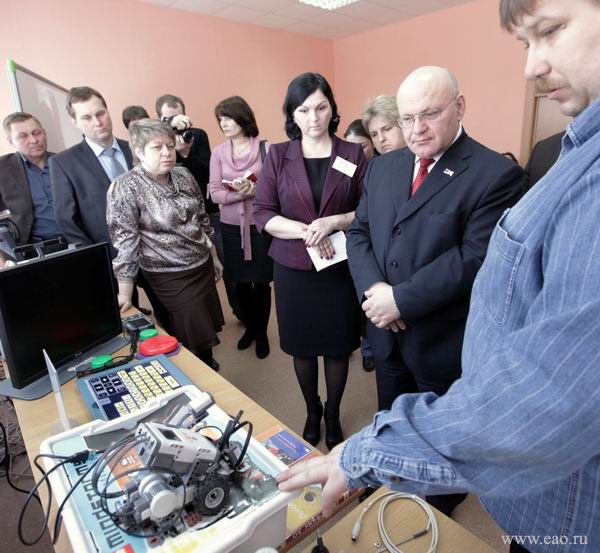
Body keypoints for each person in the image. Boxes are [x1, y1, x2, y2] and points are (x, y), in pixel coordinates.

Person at [278, 2, 600, 551]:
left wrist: (401, 299)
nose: (415, 129)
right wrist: (374, 296)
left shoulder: (495, 172)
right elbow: (362, 233)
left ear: (459, 107)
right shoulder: (384, 165)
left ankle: (430, 517)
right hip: (387, 334)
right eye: (405, 119)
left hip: (442, 341)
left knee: (439, 491)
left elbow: (473, 260)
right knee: (392, 415)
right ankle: (396, 501)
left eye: (428, 115)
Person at [254, 72, 367, 451]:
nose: (313, 118)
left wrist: (333, 222)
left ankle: (333, 412)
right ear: (292, 114)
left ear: (332, 109)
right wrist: (307, 231)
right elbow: (262, 212)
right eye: (303, 110)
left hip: (338, 269)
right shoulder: (277, 156)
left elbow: (367, 210)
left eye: (321, 108)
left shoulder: (352, 154)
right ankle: (312, 408)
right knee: (302, 347)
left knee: (337, 346)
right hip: (293, 268)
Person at [107, 119, 224, 371]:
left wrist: (213, 255)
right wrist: (125, 292)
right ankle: (197, 374)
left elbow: (201, 218)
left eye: (170, 146)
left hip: (201, 265)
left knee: (203, 330)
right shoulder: (126, 187)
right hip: (168, 274)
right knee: (187, 330)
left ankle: (205, 367)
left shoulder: (183, 174)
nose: (167, 153)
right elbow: (126, 242)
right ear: (139, 151)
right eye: (157, 147)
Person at [156, 93, 240, 319]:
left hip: (208, 212)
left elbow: (208, 173)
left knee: (227, 263)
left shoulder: (197, 135)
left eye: (179, 117)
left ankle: (240, 311)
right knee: (195, 272)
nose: (176, 123)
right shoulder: (158, 143)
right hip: (178, 221)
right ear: (160, 120)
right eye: (168, 119)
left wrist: (186, 152)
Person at [208, 96, 273, 359]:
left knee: (261, 282)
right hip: (231, 226)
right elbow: (214, 192)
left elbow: (276, 186)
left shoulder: (266, 148)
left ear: (242, 117)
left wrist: (256, 189)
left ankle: (262, 334)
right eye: (220, 119)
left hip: (260, 224)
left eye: (228, 117)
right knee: (240, 282)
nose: (223, 123)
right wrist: (239, 194)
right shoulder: (218, 153)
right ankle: (251, 328)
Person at [50, 86, 133, 247]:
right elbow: (67, 222)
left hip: (155, 255)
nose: (98, 123)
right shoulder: (64, 164)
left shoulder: (136, 149)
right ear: (75, 122)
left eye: (100, 113)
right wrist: (97, 256)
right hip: (109, 256)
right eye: (87, 118)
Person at [343, 119, 377, 373]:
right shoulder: (343, 163)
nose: (356, 152)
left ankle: (368, 348)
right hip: (345, 238)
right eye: (351, 146)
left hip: (373, 238)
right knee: (348, 297)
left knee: (369, 295)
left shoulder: (382, 165)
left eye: (362, 146)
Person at [0, 112, 62, 245]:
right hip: (33, 248)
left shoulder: (65, 161)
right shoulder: (3, 169)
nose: (34, 140)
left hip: (78, 241)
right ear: (11, 141)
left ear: (44, 133)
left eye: (37, 133)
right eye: (23, 136)